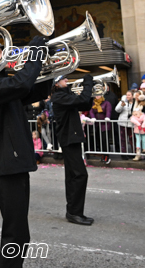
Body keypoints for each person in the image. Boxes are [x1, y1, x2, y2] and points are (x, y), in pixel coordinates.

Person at [0, 36, 52, 266]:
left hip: (14, 162)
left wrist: (47, 64)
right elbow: (22, 84)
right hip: (5, 164)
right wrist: (35, 56)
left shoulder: (3, 84)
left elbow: (36, 91)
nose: (2, 53)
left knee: (19, 235)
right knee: (15, 235)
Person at [51, 73, 94, 227]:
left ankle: (73, 211)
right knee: (80, 175)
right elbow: (81, 100)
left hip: (72, 137)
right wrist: (88, 83)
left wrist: (91, 91)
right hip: (68, 138)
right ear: (56, 84)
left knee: (72, 176)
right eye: (63, 79)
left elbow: (84, 105)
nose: (67, 80)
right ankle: (75, 212)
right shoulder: (59, 97)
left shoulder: (67, 95)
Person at [88, 95, 112, 164]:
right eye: (96, 95)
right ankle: (102, 155)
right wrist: (93, 117)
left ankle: (107, 156)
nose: (97, 96)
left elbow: (108, 110)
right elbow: (91, 111)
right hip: (97, 125)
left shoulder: (106, 103)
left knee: (105, 141)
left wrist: (107, 117)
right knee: (99, 140)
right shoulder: (94, 103)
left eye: (98, 95)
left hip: (105, 125)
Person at [115, 91, 135, 158]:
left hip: (131, 123)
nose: (127, 96)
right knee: (123, 139)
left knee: (132, 139)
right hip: (123, 123)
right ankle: (124, 153)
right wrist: (121, 105)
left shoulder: (135, 103)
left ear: (132, 96)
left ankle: (134, 153)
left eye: (129, 95)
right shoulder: (123, 102)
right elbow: (117, 110)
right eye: (126, 95)